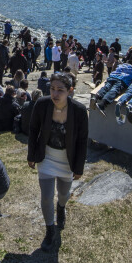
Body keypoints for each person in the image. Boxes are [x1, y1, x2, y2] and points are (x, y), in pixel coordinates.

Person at [27, 72, 87, 252]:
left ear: (70, 91)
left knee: (63, 194)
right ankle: (49, 229)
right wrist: (31, 155)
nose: (55, 94)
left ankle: (61, 208)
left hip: (67, 161)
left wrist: (79, 167)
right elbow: (33, 130)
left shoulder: (79, 110)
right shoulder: (42, 104)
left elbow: (83, 140)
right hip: (46, 157)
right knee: (46, 196)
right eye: (52, 89)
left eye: (60, 90)